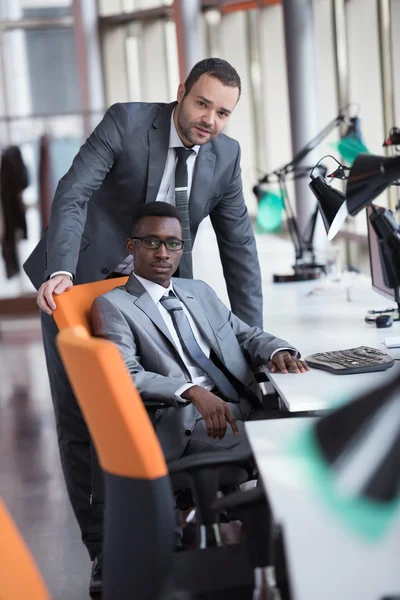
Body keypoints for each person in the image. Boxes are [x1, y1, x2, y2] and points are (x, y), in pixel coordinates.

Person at [23, 57, 264, 593]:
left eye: (224, 112)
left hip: (156, 294)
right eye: (202, 104)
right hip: (80, 286)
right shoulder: (129, 123)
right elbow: (74, 193)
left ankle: (173, 522)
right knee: (86, 421)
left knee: (171, 402)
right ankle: (103, 549)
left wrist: (251, 345)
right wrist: (60, 269)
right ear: (181, 92)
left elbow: (239, 247)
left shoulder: (224, 156)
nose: (210, 120)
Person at [91, 202, 309, 569]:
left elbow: (246, 335)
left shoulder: (198, 291)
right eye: (151, 242)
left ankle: (283, 548)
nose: (163, 253)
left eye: (173, 244)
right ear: (132, 246)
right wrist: (190, 391)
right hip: (189, 423)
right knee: (289, 452)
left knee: (316, 431)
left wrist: (279, 350)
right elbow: (124, 374)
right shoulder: (113, 305)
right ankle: (275, 560)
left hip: (244, 406)